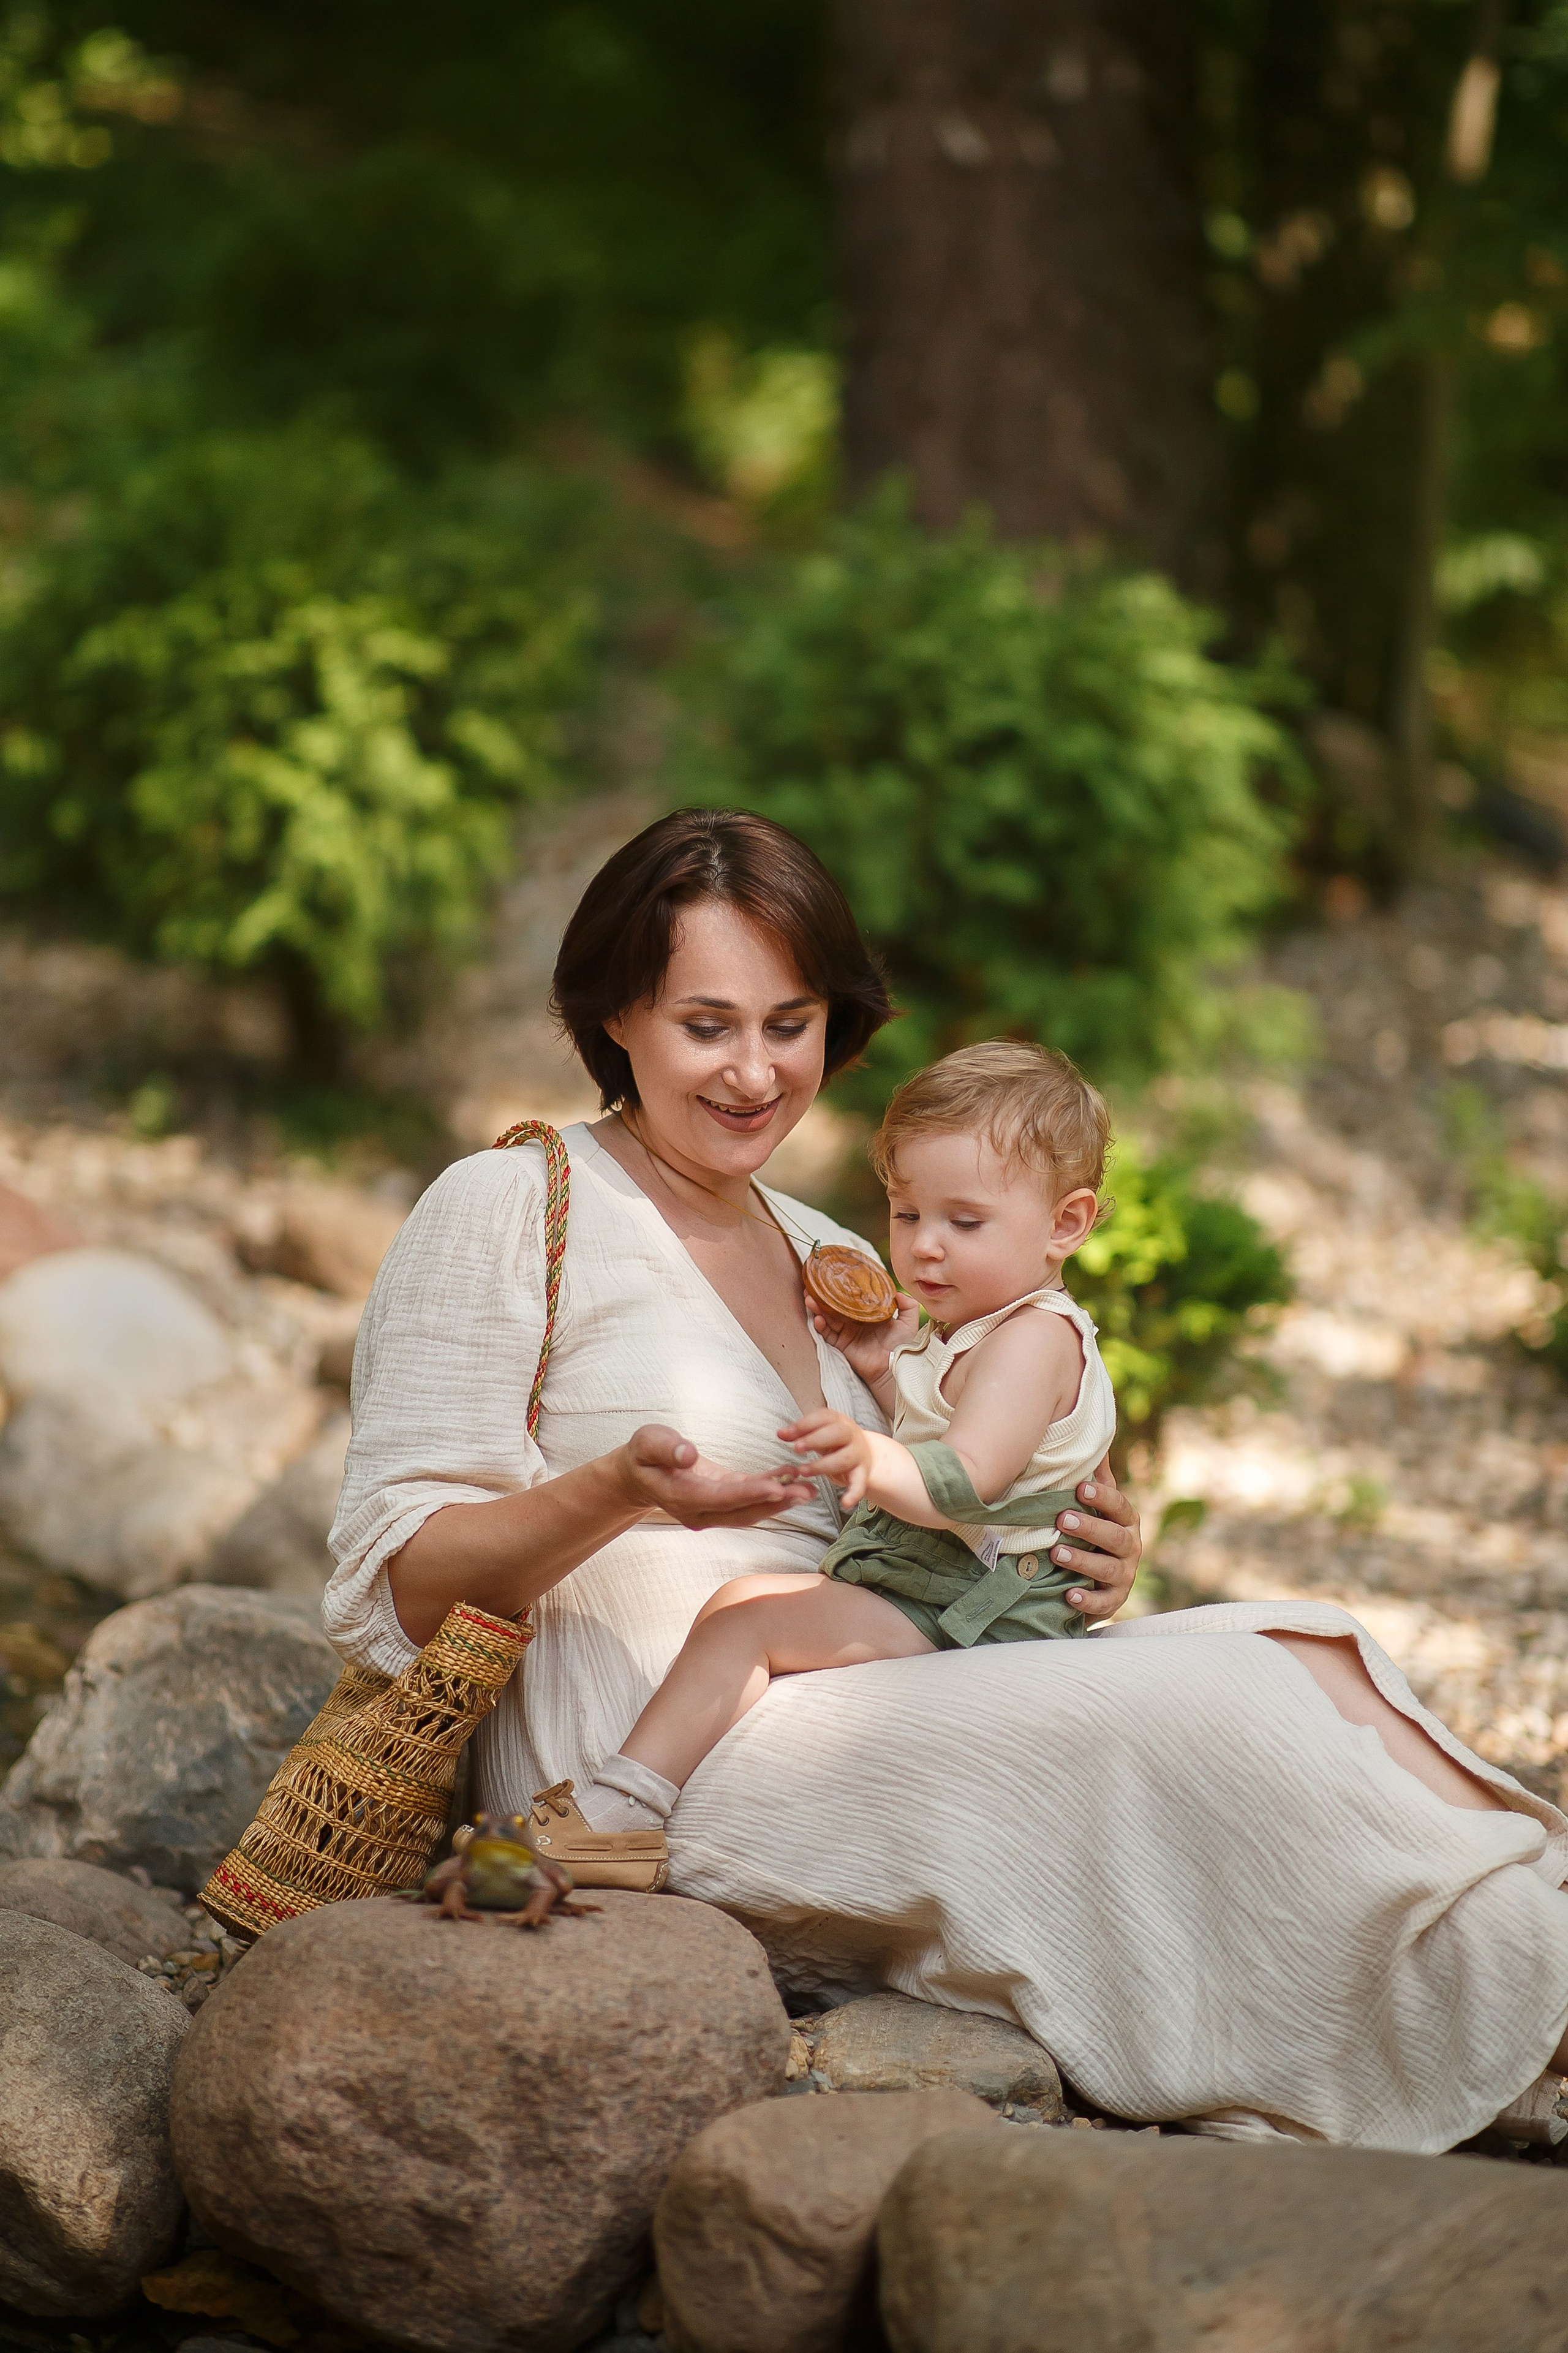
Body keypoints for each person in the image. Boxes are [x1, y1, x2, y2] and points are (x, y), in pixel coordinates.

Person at [326, 806, 1568, 2153]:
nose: (753, 1072)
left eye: (788, 1024)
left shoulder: (832, 1250)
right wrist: (620, 1493)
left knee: (1309, 1651)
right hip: (644, 1757)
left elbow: (950, 1471)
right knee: (1228, 1699)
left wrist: (1073, 1547)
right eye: (706, 1025)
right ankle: (1515, 2020)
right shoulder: (511, 1203)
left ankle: (1524, 1988)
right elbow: (396, 1583)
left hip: (866, 1662)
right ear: (615, 1012)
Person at [529, 1040, 1118, 1889]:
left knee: (746, 1624)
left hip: (983, 1611)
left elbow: (970, 1476)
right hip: (941, 1586)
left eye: (965, 1221)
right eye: (908, 1214)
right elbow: (942, 1410)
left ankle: (621, 1815)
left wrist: (871, 1457)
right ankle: (630, 1802)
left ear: (1066, 1224)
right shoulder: (980, 1329)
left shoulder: (1034, 1337)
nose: (925, 1249)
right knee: (740, 1608)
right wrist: (883, 1365)